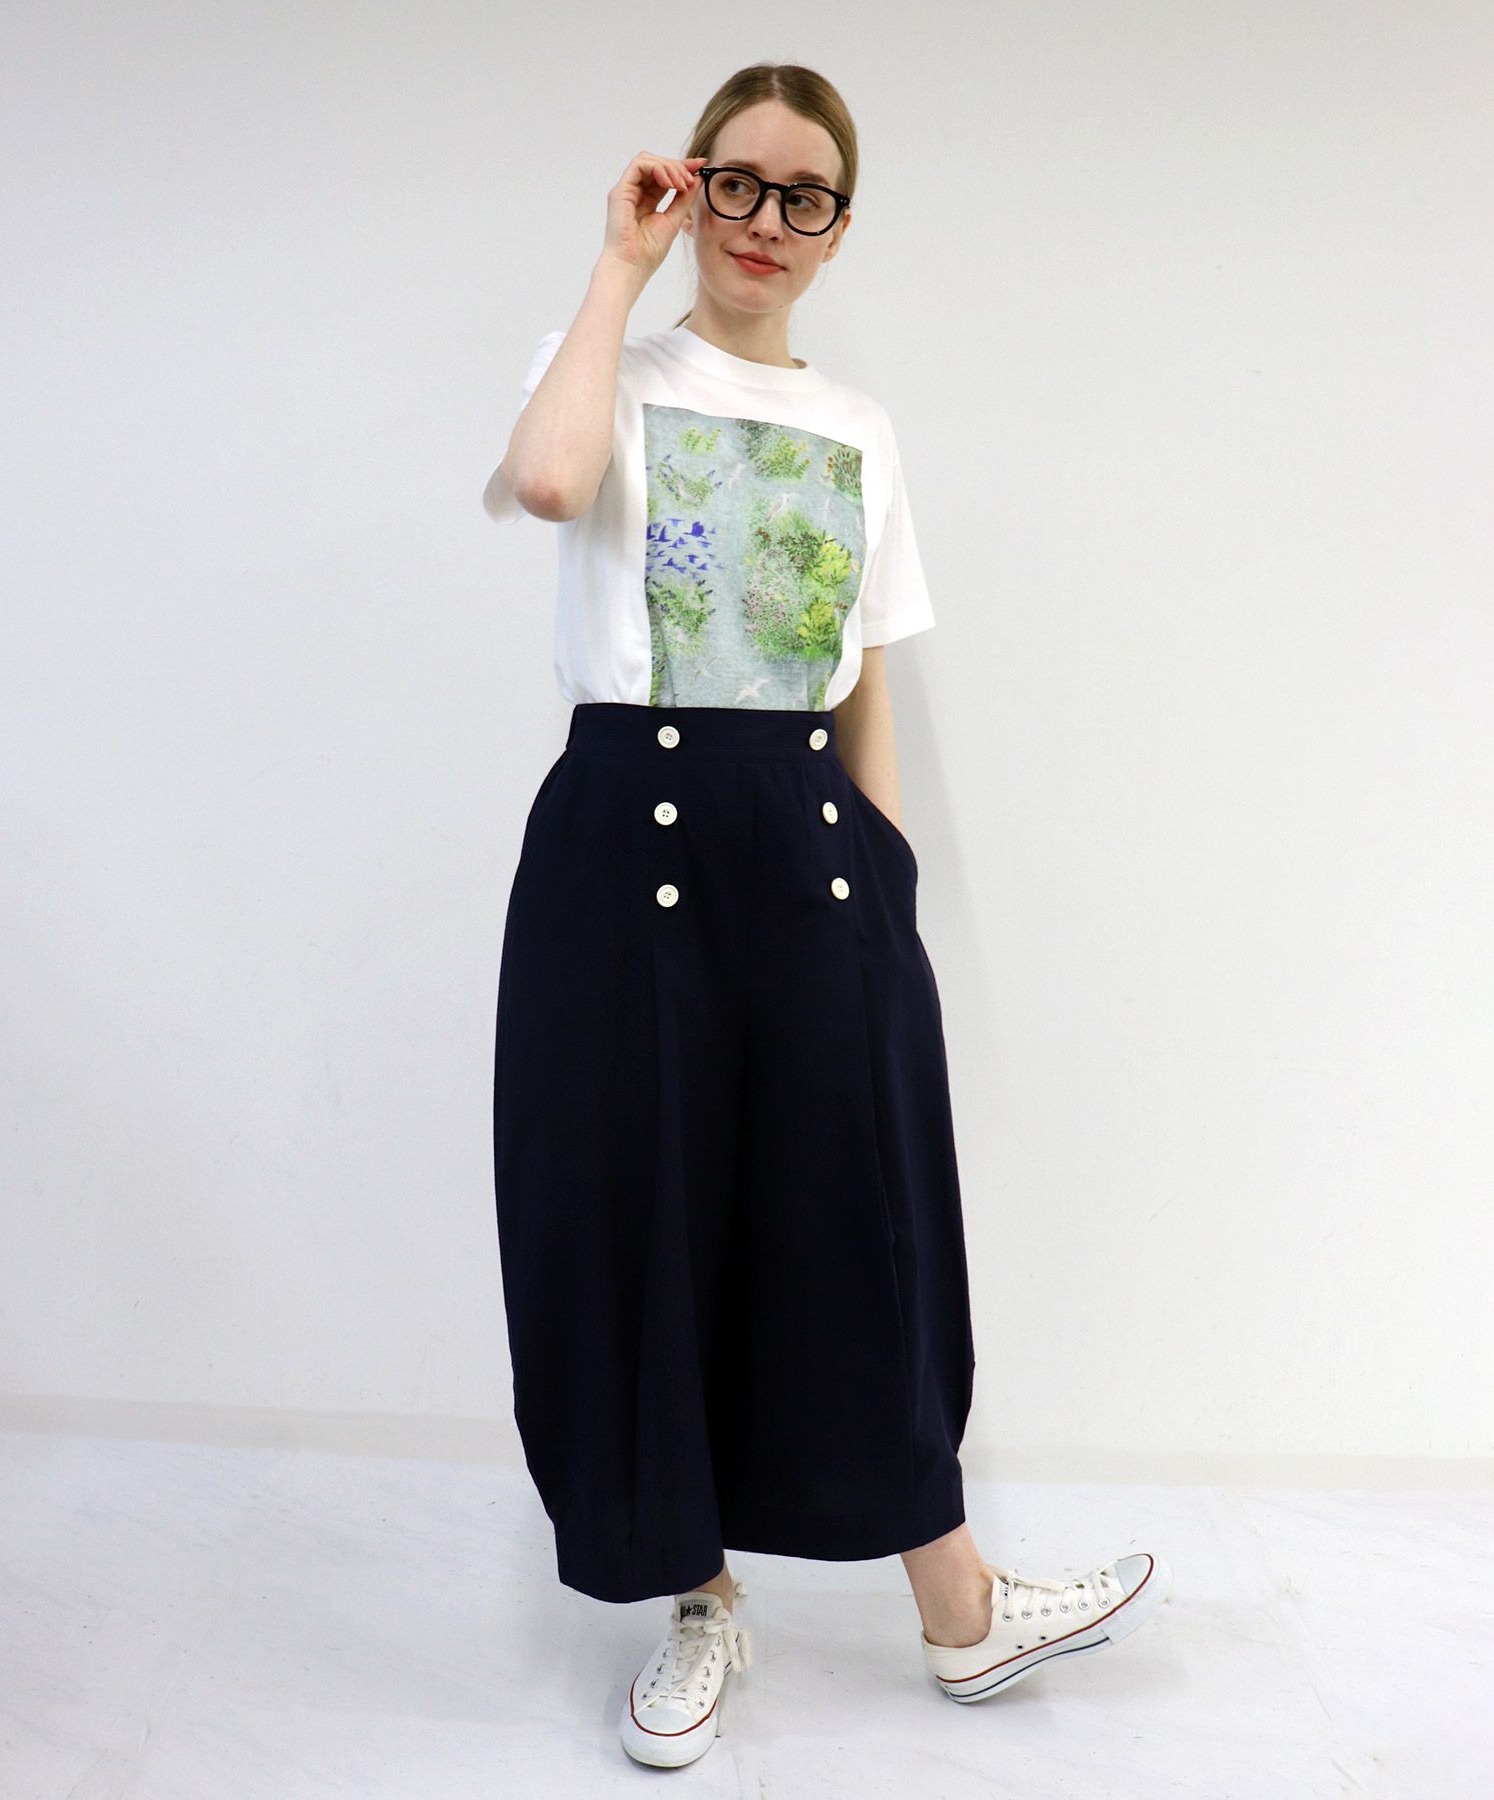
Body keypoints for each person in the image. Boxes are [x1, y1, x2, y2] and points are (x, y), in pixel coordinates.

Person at [482, 61, 1172, 1771]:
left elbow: (859, 667)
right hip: (622, 839)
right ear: (686, 183)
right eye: (737, 182)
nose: (766, 222)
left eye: (806, 198)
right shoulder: (610, 366)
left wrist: (887, 873)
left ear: (840, 229)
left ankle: (959, 1608)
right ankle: (699, 1600)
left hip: (811, 850)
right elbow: (553, 487)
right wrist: (615, 270)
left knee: (859, 1216)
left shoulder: (860, 428)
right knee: (640, 1214)